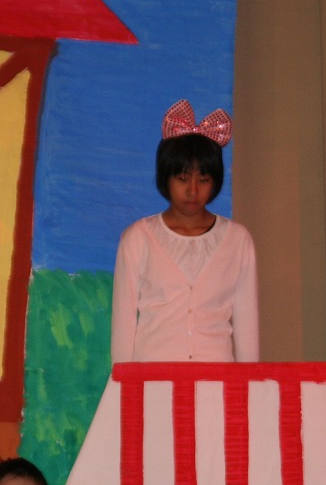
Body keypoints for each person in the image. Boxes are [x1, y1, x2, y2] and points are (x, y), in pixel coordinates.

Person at [110, 99, 260, 363]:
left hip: (216, 377)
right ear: (165, 178)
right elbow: (123, 324)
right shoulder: (138, 239)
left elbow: (247, 327)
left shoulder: (237, 240)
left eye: (203, 180)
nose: (193, 190)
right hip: (154, 377)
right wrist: (123, 381)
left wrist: (249, 383)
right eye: (182, 179)